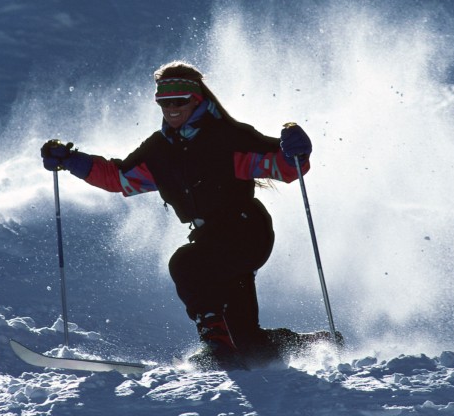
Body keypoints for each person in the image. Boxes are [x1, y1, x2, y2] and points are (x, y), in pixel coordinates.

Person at [41, 61, 336, 369]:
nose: (171, 108)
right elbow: (119, 178)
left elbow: (281, 166)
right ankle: (312, 345)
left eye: (178, 101)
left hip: (246, 230)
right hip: (209, 236)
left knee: (186, 263)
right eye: (163, 102)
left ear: (196, 99)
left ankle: (216, 348)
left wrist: (296, 152)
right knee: (248, 342)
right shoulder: (159, 151)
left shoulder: (227, 137)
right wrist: (71, 161)